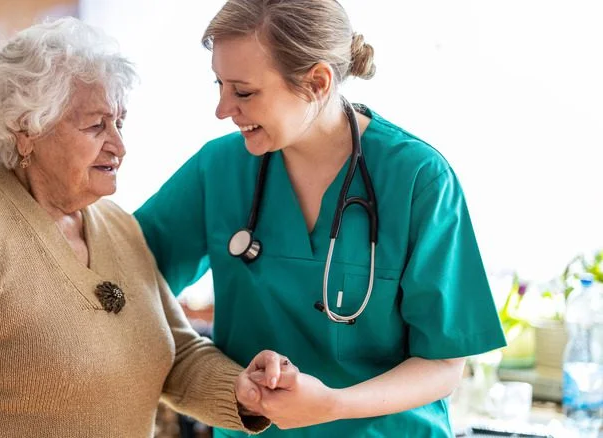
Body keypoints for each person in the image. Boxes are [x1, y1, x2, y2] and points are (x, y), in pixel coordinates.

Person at [0, 17, 283, 437]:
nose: (119, 145)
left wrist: (241, 390)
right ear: (26, 131)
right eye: (96, 125)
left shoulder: (118, 226)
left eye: (120, 122)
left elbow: (177, 354)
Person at [134, 1, 507, 436]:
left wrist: (333, 405)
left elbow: (443, 363)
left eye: (243, 91)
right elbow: (125, 273)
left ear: (316, 81)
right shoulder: (217, 170)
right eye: (219, 84)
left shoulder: (417, 179)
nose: (221, 109)